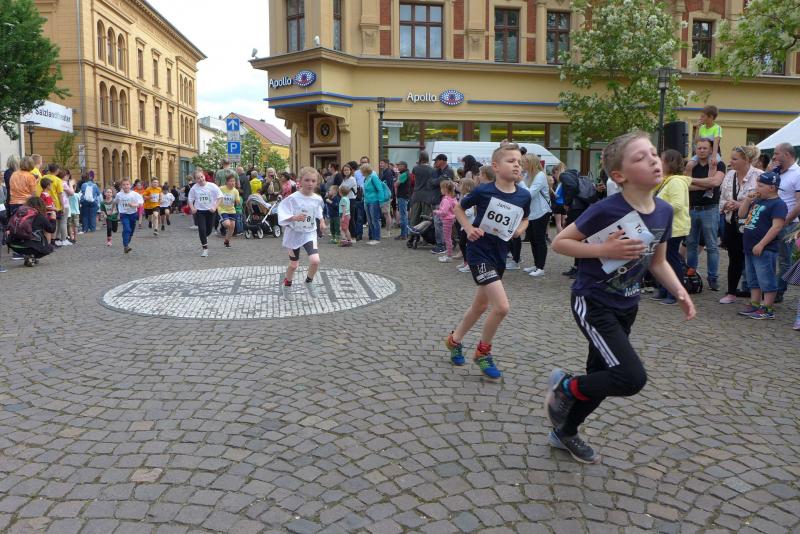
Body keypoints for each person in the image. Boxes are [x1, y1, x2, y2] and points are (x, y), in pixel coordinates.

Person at [547, 131, 696, 464]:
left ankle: (565, 432)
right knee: (629, 377)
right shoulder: (606, 209)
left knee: (602, 378)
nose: (653, 160)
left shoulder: (664, 211)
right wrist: (605, 249)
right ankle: (566, 387)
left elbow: (658, 262)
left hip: (627, 305)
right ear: (619, 175)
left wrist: (679, 290)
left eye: (653, 153)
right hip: (593, 302)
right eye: (640, 157)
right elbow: (560, 243)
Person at [444, 143, 531, 381]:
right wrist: (468, 228)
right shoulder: (484, 191)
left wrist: (519, 229)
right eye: (511, 161)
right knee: (501, 307)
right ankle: (483, 352)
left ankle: (454, 340)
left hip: (499, 254)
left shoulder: (524, 195)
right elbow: (459, 209)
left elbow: (526, 218)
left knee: (480, 306)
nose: (517, 165)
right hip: (479, 253)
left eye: (519, 162)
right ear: (496, 166)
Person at [737, 171, 787, 320]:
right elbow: (741, 214)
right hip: (749, 246)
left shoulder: (778, 204)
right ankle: (755, 304)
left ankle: (768, 308)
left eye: (760, 185)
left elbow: (777, 227)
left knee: (766, 279)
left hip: (765, 248)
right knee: (753, 279)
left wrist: (761, 244)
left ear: (771, 188)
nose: (756, 188)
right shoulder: (758, 201)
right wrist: (747, 200)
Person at [718, 146, 762, 304]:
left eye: (735, 159)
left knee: (753, 258)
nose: (730, 161)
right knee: (734, 258)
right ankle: (731, 293)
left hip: (752, 225)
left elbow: (764, 201)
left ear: (747, 160)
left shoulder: (759, 175)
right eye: (731, 158)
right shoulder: (729, 175)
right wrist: (726, 205)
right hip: (732, 223)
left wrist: (741, 205)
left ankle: (757, 294)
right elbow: (722, 198)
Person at [277, 167, 326, 300]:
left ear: (317, 183)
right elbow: (282, 211)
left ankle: (309, 281)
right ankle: (287, 285)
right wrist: (293, 217)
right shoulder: (292, 198)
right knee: (294, 265)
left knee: (315, 260)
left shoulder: (317, 198)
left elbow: (318, 210)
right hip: (294, 234)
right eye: (307, 180)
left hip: (309, 233)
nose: (310, 183)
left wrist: (321, 221)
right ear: (300, 181)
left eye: (313, 181)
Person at [685, 138, 726, 291]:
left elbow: (715, 183)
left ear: (710, 150)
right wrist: (705, 184)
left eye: (705, 148)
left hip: (710, 209)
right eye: (699, 148)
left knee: (712, 245)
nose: (701, 150)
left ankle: (713, 278)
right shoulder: (689, 164)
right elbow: (685, 185)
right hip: (692, 209)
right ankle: (691, 275)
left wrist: (692, 180)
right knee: (691, 244)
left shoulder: (718, 164)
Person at [653, 150, 692, 304]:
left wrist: (656, 210)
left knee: (671, 259)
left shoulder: (676, 182)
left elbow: (677, 204)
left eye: (661, 160)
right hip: (666, 227)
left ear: (670, 163)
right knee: (663, 260)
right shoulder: (666, 181)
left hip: (674, 228)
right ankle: (665, 289)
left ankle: (676, 293)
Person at [770, 142, 800, 304]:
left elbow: (799, 203)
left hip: (788, 223)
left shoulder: (798, 173)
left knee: (784, 260)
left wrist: (784, 221)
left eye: (776, 153)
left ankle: (778, 292)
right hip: (771, 222)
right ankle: (769, 289)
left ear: (787, 154)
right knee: (769, 257)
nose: (774, 156)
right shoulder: (777, 171)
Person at [523, 154, 551, 278]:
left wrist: (520, 182)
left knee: (539, 240)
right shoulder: (527, 175)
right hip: (531, 212)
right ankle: (536, 265)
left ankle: (541, 267)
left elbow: (529, 194)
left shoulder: (540, 175)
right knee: (533, 239)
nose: (522, 165)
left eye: (524, 162)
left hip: (541, 212)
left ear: (531, 163)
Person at [6, 196, 56, 267]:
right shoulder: (39, 216)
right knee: (49, 248)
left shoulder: (17, 212)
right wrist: (53, 219)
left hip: (13, 244)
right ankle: (32, 256)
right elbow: (51, 229)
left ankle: (28, 256)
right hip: (30, 246)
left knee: (29, 242)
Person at [188, 170, 223, 257]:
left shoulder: (212, 186)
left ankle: (205, 236)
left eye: (201, 177)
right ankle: (205, 249)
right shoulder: (194, 188)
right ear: (195, 180)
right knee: (202, 230)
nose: (200, 179)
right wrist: (192, 208)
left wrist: (215, 207)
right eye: (198, 178)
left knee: (209, 230)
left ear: (204, 176)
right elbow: (190, 199)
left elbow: (220, 197)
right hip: (200, 211)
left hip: (210, 211)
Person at [686, 105, 722, 174]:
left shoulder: (717, 128)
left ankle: (710, 180)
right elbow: (696, 141)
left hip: (712, 153)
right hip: (701, 152)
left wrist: (714, 157)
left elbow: (716, 143)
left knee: (712, 164)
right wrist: (697, 128)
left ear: (711, 117)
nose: (700, 118)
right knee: (689, 165)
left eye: (703, 116)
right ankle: (689, 180)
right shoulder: (702, 128)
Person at [431, 154, 454, 254]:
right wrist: (437, 179)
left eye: (437, 160)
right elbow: (431, 182)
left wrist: (437, 180)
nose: (435, 163)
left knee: (439, 222)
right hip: (438, 199)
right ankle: (442, 244)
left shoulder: (448, 171)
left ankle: (442, 245)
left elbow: (438, 183)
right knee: (438, 222)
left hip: (444, 200)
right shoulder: (438, 171)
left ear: (443, 161)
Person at [38, 163, 67, 246]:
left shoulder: (43, 177)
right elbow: (60, 194)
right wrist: (62, 206)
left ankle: (50, 242)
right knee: (54, 224)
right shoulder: (58, 180)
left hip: (47, 206)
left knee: (49, 225)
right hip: (54, 206)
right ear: (57, 170)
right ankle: (52, 242)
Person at [113, 178, 144, 253]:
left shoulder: (135, 194)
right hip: (124, 214)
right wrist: (112, 210)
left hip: (133, 214)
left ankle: (127, 238)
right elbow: (115, 202)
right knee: (127, 229)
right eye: (124, 185)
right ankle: (126, 246)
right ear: (121, 186)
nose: (126, 186)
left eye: (127, 184)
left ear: (130, 185)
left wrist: (134, 205)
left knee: (131, 231)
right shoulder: (119, 195)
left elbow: (141, 204)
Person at [434, 180, 458, 262]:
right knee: (448, 238)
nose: (440, 190)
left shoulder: (446, 200)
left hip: (447, 220)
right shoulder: (452, 198)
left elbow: (444, 212)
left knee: (447, 239)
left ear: (445, 189)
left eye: (441, 188)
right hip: (450, 220)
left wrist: (436, 211)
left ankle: (449, 256)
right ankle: (448, 254)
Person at [218, 174, 241, 248]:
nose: (232, 183)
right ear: (227, 182)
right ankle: (221, 223)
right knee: (227, 224)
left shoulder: (235, 191)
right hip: (222, 209)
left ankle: (227, 241)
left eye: (234, 181)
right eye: (231, 181)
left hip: (231, 210)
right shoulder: (221, 188)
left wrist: (238, 202)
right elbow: (216, 195)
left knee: (232, 227)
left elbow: (237, 201)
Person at [362, 163, 383, 245]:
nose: (361, 172)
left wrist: (380, 201)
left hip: (374, 201)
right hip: (367, 201)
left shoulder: (373, 177)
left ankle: (376, 238)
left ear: (365, 171)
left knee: (375, 220)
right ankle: (373, 237)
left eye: (361, 170)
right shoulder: (366, 178)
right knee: (370, 221)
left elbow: (380, 189)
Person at [395, 161, 411, 241]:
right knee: (405, 216)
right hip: (405, 196)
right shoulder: (406, 173)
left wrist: (398, 177)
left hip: (402, 196)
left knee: (403, 216)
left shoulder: (404, 174)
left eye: (399, 166)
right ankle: (405, 233)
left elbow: (396, 184)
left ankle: (403, 235)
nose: (398, 167)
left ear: (404, 166)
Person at [379, 159, 395, 235]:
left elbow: (389, 185)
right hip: (386, 195)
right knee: (386, 213)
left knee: (386, 213)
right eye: (380, 163)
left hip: (387, 195)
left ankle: (388, 232)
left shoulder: (388, 172)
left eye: (382, 163)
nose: (380, 164)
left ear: (386, 164)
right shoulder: (385, 172)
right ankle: (388, 231)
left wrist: (388, 195)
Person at [39, 177, 57, 244]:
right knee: (48, 230)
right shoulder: (44, 195)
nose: (51, 186)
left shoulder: (46, 194)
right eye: (51, 185)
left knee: (51, 229)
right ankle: (48, 244)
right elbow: (44, 206)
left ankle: (50, 243)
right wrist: (54, 209)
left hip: (50, 213)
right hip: (48, 214)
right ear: (47, 186)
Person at [551, 163, 567, 234]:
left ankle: (559, 237)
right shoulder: (566, 182)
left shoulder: (560, 183)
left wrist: (551, 189)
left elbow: (556, 195)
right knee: (564, 222)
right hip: (564, 203)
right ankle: (565, 236)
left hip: (558, 204)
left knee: (558, 223)